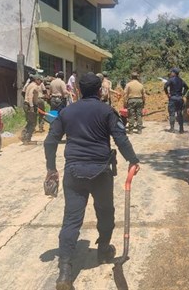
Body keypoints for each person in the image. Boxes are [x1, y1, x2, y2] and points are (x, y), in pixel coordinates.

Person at [44, 72, 140, 290]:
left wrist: (51, 168)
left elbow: (49, 142)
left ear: (77, 91)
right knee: (105, 212)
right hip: (100, 173)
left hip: (74, 173)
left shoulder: (66, 112)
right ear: (100, 91)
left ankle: (65, 272)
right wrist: (133, 160)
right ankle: (104, 249)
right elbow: (120, 138)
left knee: (71, 220)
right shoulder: (106, 111)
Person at [164, 68, 189, 133]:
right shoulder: (181, 80)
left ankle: (172, 129)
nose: (171, 73)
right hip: (180, 99)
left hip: (173, 98)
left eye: (171, 72)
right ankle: (181, 129)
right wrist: (183, 95)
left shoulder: (171, 80)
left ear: (174, 73)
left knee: (172, 113)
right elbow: (187, 87)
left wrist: (167, 94)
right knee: (179, 113)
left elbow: (165, 86)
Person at [21, 74, 39, 143]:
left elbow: (23, 93)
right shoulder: (34, 86)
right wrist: (31, 106)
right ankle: (27, 139)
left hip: (26, 104)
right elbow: (30, 96)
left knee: (30, 122)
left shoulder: (29, 85)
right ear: (36, 80)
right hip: (29, 105)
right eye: (40, 80)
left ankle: (23, 135)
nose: (40, 82)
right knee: (33, 123)